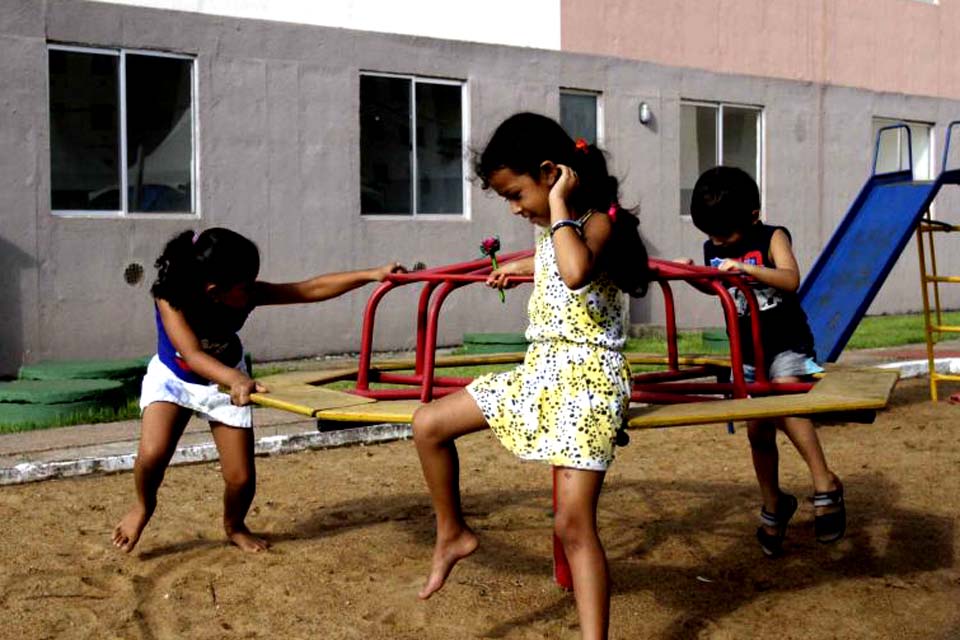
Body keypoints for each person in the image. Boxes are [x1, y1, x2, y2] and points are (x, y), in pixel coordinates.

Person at [412, 112, 650, 640]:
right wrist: (517, 269)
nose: (516, 209)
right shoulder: (553, 231)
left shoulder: (597, 220)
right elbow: (550, 261)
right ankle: (452, 534)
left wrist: (561, 203)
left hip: (589, 384)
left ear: (550, 173)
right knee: (427, 424)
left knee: (572, 524)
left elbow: (575, 270)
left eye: (517, 194)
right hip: (540, 373)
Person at [112, 227, 403, 553]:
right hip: (175, 378)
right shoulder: (170, 296)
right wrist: (235, 380)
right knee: (152, 456)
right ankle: (142, 506)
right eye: (245, 285)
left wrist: (373, 274)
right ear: (214, 291)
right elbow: (192, 354)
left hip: (227, 378)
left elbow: (309, 288)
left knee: (240, 479)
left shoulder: (245, 294)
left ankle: (234, 525)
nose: (252, 290)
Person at [687, 166, 846, 556]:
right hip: (747, 351)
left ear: (753, 215)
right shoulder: (716, 246)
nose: (718, 242)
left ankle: (824, 482)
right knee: (758, 431)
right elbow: (718, 288)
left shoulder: (771, 236)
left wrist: (748, 267)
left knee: (787, 400)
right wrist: (695, 275)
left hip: (787, 343)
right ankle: (775, 502)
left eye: (725, 234)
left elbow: (791, 279)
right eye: (711, 235)